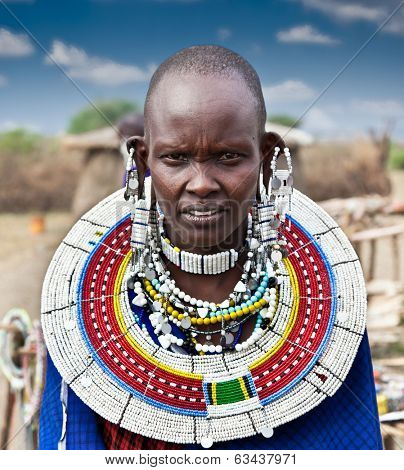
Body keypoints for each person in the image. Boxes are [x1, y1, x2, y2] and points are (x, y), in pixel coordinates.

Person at [39, 45, 383, 450]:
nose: (201, 183)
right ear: (144, 159)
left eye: (229, 157)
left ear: (267, 157)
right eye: (176, 158)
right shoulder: (82, 309)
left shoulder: (328, 304)